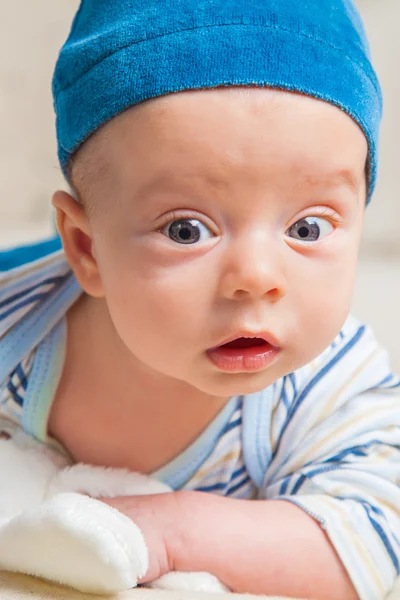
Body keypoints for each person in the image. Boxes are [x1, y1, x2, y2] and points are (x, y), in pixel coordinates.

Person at [1, 1, 399, 598]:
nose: (258, 278)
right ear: (86, 248)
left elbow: (377, 537)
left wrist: (169, 533)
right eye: (186, 230)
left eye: (308, 228)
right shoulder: (19, 319)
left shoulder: (329, 386)